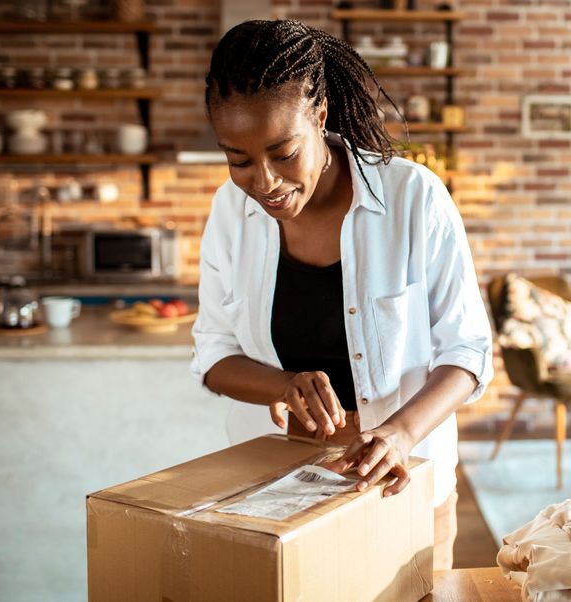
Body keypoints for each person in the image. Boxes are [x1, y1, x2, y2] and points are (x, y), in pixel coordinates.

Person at [190, 19, 493, 570]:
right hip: (272, 495)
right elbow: (213, 354)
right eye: (238, 160)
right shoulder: (229, 215)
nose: (264, 182)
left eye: (284, 154)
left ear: (320, 117)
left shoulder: (412, 197)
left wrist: (399, 434)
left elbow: (467, 352)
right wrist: (283, 385)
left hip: (402, 486)